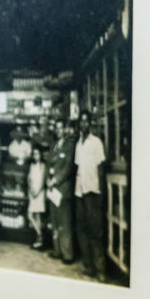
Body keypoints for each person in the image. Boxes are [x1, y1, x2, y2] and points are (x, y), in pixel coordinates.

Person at [74, 112, 108, 281]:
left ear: (90, 124)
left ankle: (100, 269)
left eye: (86, 122)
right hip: (79, 192)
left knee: (95, 231)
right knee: (82, 230)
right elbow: (77, 167)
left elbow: (101, 169)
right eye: (81, 122)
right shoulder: (78, 144)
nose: (83, 125)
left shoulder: (96, 142)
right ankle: (89, 267)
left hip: (92, 192)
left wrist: (101, 192)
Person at [46, 119, 77, 263]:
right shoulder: (54, 145)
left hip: (63, 190)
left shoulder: (70, 146)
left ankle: (68, 255)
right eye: (56, 128)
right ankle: (57, 250)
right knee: (55, 221)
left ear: (65, 129)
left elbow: (68, 168)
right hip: (52, 190)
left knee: (64, 223)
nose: (58, 130)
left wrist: (55, 180)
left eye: (60, 127)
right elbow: (48, 165)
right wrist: (48, 178)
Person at [27, 148, 47, 250]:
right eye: (34, 154)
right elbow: (29, 179)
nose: (36, 156)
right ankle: (40, 235)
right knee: (30, 215)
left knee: (38, 216)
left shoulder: (43, 166)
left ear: (40, 155)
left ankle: (39, 240)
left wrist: (37, 192)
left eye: (37, 154)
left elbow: (43, 181)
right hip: (32, 193)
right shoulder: (31, 165)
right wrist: (31, 190)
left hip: (39, 193)